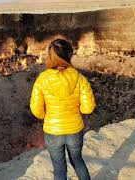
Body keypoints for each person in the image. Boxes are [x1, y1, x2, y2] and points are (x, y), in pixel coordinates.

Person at [30, 39, 96, 180]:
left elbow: (36, 110)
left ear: (50, 56)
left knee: (59, 169)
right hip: (74, 129)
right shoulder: (79, 78)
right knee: (77, 161)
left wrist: (47, 116)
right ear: (69, 55)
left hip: (53, 131)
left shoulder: (42, 79)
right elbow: (88, 108)